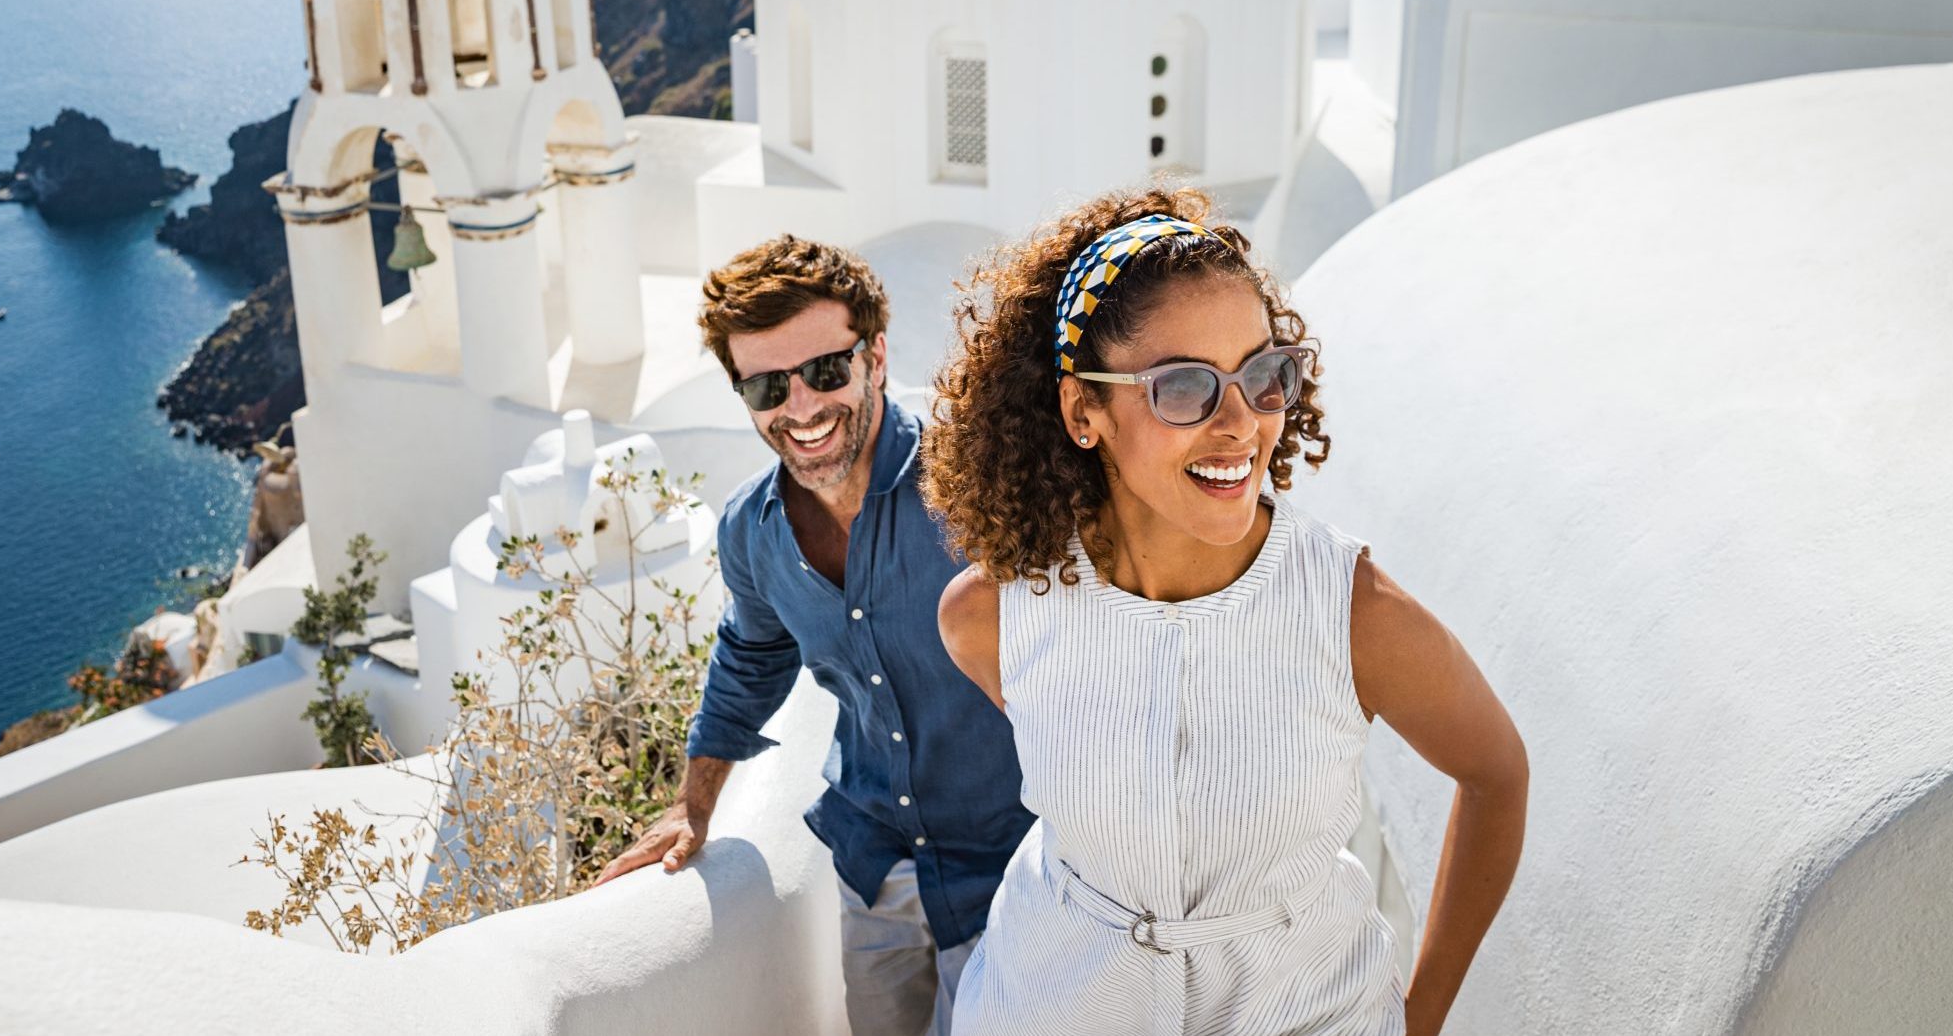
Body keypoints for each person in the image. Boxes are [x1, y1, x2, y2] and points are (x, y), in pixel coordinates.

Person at [924, 189, 1527, 1036]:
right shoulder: (992, 616)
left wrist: (1419, 1017)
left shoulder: (1353, 611)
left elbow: (1497, 774)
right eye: (1184, 388)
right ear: (1082, 411)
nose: (1243, 424)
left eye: (1263, 374)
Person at [594, 235, 1032, 1035]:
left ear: (876, 356)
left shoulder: (977, 481)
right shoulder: (751, 530)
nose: (800, 408)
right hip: (875, 861)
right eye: (766, 384)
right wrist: (694, 803)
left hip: (1014, 867)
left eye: (826, 371)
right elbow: (750, 659)